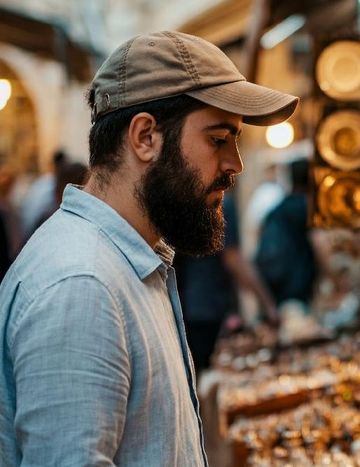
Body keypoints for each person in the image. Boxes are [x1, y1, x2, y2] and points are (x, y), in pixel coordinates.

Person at [0, 31, 298, 466]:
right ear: (145, 137)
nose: (236, 164)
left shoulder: (128, 263)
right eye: (218, 139)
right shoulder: (82, 286)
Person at [176, 188, 278, 372]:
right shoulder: (220, 201)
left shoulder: (186, 199)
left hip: (186, 306)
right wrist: (268, 303)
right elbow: (233, 259)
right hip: (207, 307)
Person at [255, 158, 317, 305]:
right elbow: (319, 243)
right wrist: (336, 279)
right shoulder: (306, 208)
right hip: (296, 286)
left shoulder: (279, 208)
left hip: (273, 284)